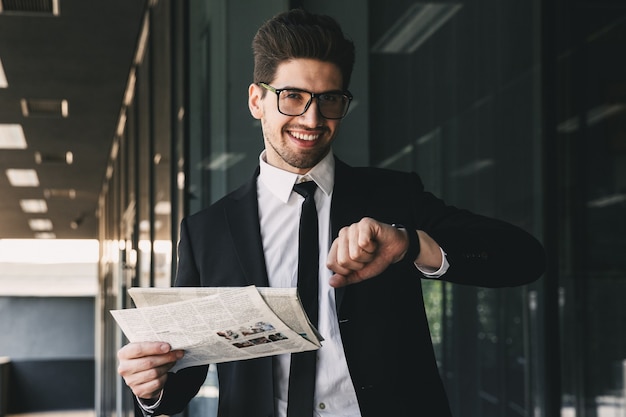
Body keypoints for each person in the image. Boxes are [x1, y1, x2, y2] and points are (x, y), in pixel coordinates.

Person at [117, 8, 546, 417]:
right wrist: (152, 388)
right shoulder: (205, 231)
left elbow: (523, 258)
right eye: (292, 97)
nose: (312, 117)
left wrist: (410, 243)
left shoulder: (393, 198)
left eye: (329, 99)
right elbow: (182, 378)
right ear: (256, 100)